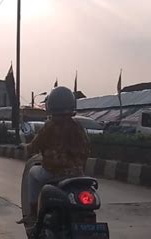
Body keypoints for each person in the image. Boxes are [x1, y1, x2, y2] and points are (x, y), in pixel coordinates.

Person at [22, 86, 89, 222]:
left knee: (32, 173)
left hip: (53, 172)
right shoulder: (78, 126)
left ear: (51, 105)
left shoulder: (50, 126)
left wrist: (25, 147)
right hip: (77, 174)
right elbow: (87, 149)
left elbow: (34, 146)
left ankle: (33, 214)